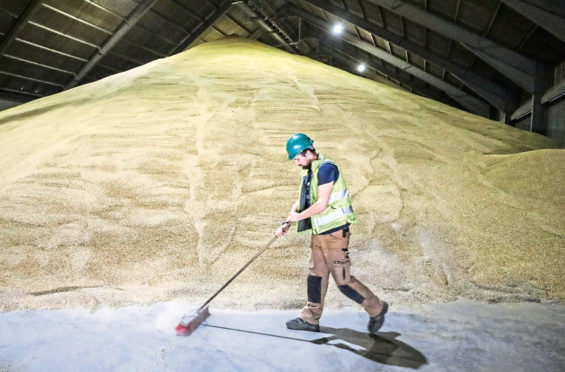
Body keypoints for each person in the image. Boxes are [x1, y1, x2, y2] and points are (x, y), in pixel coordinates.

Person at [276, 133, 388, 334]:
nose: (296, 162)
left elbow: (321, 204)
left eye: (298, 157)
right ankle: (310, 319)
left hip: (335, 234)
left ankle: (376, 308)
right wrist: (286, 222)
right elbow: (303, 200)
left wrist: (297, 218)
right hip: (319, 234)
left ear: (308, 152)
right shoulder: (309, 172)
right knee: (315, 277)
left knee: (343, 281)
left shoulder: (327, 169)